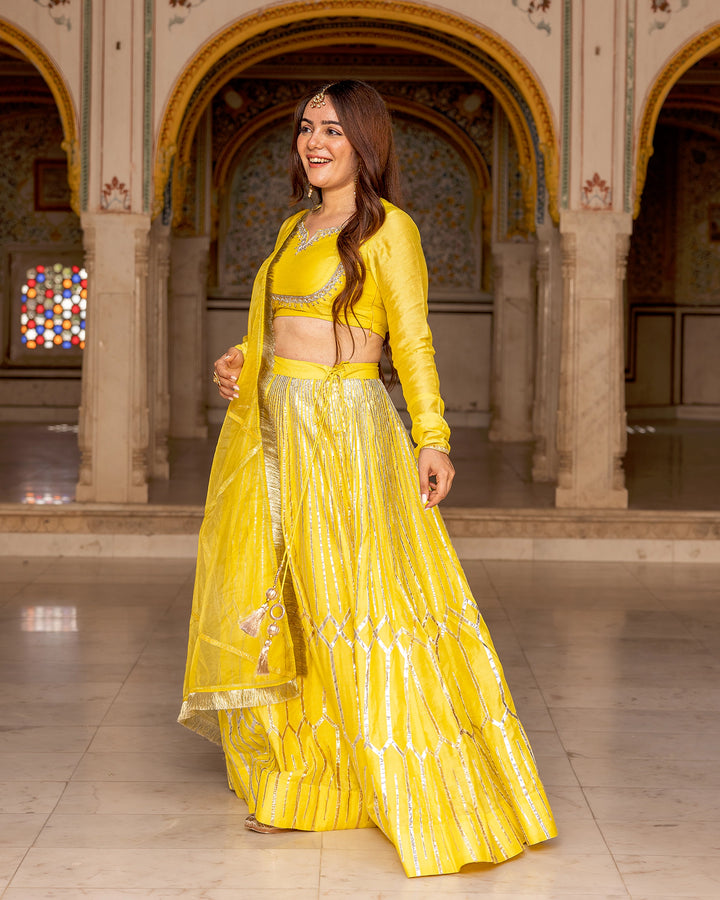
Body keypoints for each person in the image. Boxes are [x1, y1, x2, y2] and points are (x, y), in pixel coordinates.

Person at [179, 80, 556, 878]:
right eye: (305, 128)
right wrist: (243, 361)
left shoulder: (389, 232)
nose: (315, 143)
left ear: (365, 143)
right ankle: (310, 780)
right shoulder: (292, 229)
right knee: (288, 604)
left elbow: (411, 344)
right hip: (278, 431)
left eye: (333, 131)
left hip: (346, 434)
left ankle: (406, 779)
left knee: (359, 605)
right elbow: (283, 329)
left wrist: (434, 438)